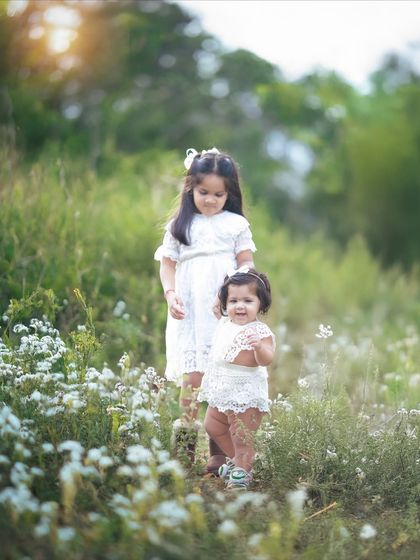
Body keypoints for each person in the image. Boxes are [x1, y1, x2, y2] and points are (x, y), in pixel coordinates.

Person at [154, 147, 256, 473]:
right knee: (193, 377)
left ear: (229, 193)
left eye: (218, 194)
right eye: (203, 192)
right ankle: (183, 447)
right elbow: (167, 266)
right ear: (190, 189)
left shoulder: (235, 224)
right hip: (191, 310)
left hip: (222, 310)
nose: (210, 200)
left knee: (223, 376)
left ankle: (218, 453)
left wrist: (233, 293)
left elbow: (246, 263)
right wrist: (171, 295)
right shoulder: (180, 226)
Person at [198, 268, 275, 490]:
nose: (239, 306)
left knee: (241, 435)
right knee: (212, 424)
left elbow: (266, 359)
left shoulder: (259, 331)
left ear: (261, 304)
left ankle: (243, 471)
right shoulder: (225, 324)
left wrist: (259, 347)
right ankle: (243, 461)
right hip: (222, 388)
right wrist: (219, 298)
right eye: (233, 301)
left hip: (246, 392)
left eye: (248, 300)